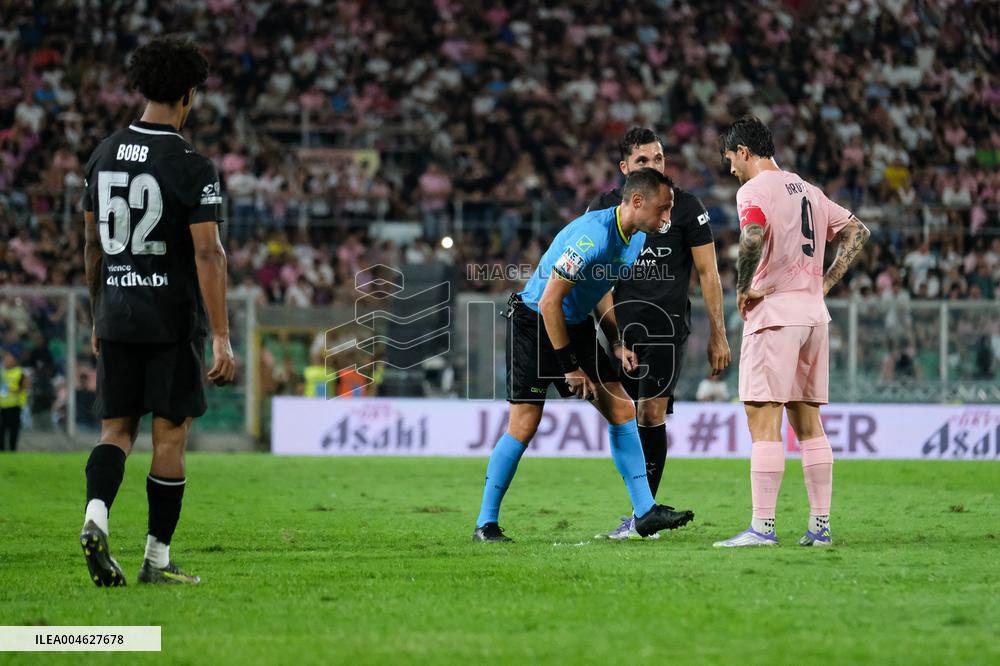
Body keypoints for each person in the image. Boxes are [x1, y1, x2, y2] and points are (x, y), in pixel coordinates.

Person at [79, 36, 236, 586]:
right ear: (189, 94)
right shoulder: (192, 165)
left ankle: (95, 516)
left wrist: (97, 312)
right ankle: (157, 560)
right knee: (169, 437)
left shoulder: (102, 153)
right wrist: (222, 336)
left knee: (115, 430)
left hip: (116, 312)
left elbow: (93, 245)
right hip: (170, 319)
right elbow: (208, 253)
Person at [473, 168, 695, 542]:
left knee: (622, 408)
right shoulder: (591, 236)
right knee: (524, 424)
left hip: (573, 323)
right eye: (663, 209)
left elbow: (599, 287)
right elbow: (549, 301)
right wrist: (570, 368)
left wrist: (616, 341)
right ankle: (485, 523)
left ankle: (644, 512)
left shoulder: (636, 238)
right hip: (535, 320)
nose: (667, 218)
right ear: (637, 201)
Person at [714, 116, 870, 548]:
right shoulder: (809, 190)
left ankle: (762, 528)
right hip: (814, 317)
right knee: (808, 423)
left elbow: (751, 236)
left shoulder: (754, 190)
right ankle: (820, 527)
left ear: (744, 151)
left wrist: (743, 287)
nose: (731, 169)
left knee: (763, 419)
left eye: (730, 159)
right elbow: (858, 231)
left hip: (774, 316)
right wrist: (825, 283)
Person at [587, 127, 731, 539]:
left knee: (650, 414)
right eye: (643, 160)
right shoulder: (604, 208)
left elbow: (708, 273)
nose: (654, 166)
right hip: (618, 330)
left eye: (659, 159)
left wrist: (719, 334)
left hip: (666, 330)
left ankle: (642, 515)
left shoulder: (685, 208)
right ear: (624, 168)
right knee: (623, 417)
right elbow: (595, 275)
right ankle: (641, 510)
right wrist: (613, 334)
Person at [0, 349, 30, 451]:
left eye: (9, 358)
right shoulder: (2, 372)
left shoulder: (19, 372)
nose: (6, 360)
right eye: (5, 358)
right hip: (2, 406)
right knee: (1, 430)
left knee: (13, 430)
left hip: (14, 406)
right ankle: (2, 451)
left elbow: (26, 385)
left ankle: (12, 450)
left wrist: (15, 390)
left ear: (14, 360)